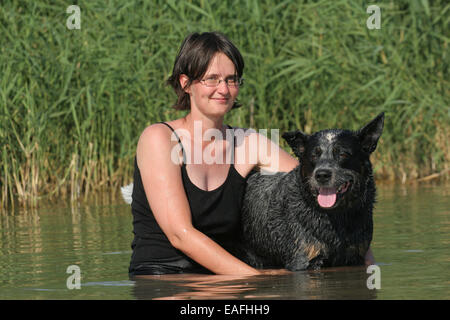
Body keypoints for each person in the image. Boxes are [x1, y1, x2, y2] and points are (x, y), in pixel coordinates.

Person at [128, 32, 374, 276]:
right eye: (212, 79)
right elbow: (179, 234)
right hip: (164, 278)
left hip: (223, 279)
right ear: (185, 83)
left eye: (232, 79)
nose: (223, 89)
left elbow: (310, 183)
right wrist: (256, 281)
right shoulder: (159, 139)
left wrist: (362, 254)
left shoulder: (248, 142)